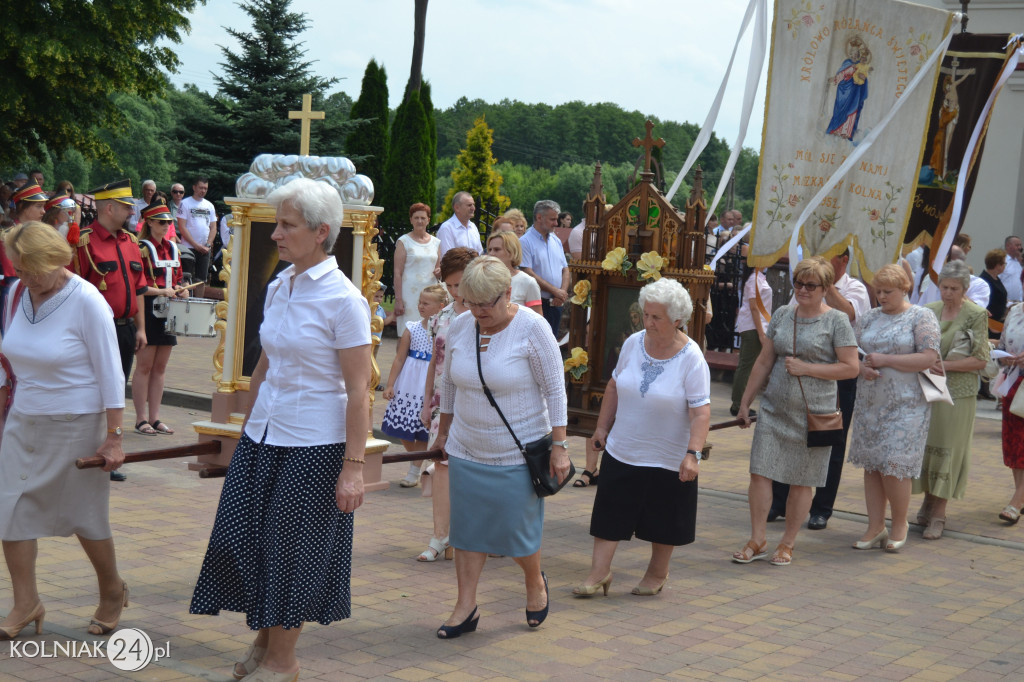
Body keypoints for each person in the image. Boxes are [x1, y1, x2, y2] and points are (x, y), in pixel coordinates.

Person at [189, 178, 371, 681]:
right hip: (265, 437)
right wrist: (247, 430)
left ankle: (283, 662)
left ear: (321, 232)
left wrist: (353, 469)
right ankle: (267, 642)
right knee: (245, 540)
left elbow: (359, 391)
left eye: (287, 225)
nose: (275, 234)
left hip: (317, 444)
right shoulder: (279, 285)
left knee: (292, 552)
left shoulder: (344, 300)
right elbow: (266, 361)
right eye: (277, 223)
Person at [0, 222, 128, 640]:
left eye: (35, 268)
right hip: (24, 420)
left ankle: (111, 590)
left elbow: (111, 372)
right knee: (11, 512)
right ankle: (26, 602)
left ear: (57, 259)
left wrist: (114, 436)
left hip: (76, 422)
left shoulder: (87, 300)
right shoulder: (17, 294)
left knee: (85, 518)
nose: (28, 278)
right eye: (20, 268)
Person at [434, 256, 569, 637]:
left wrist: (559, 445)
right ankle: (466, 606)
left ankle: (534, 582)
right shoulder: (462, 326)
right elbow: (448, 385)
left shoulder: (533, 328)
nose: (478, 312)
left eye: (486, 304)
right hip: (466, 447)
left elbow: (555, 389)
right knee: (468, 532)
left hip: (517, 452)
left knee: (518, 534)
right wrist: (443, 434)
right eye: (470, 303)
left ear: (508, 293)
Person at [573, 278, 710, 597]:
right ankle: (598, 574)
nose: (647, 322)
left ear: (677, 319)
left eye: (656, 317)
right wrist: (602, 428)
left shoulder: (692, 358)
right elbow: (613, 386)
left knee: (665, 517)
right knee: (609, 513)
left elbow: (701, 412)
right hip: (624, 448)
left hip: (668, 455)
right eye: (646, 314)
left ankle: (657, 573)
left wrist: (693, 453)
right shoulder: (634, 342)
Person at [733, 257, 858, 566]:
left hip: (813, 414)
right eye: (799, 283)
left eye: (810, 285)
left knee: (802, 479)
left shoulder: (837, 321)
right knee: (760, 472)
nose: (803, 289)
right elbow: (764, 360)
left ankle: (787, 543)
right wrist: (745, 402)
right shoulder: (783, 314)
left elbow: (851, 368)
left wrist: (808, 368)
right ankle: (758, 538)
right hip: (774, 408)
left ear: (826, 288)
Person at [770, 249, 870, 529]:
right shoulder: (804, 285)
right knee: (790, 437)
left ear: (844, 260)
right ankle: (779, 502)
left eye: (830, 256)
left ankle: (822, 508)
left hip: (837, 377)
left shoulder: (855, 287)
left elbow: (849, 313)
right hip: (796, 378)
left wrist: (826, 288)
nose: (804, 288)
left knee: (829, 440)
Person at [847, 265, 941, 552]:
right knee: (873, 464)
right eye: (878, 291)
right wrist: (862, 368)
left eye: (888, 291)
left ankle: (900, 523)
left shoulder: (921, 316)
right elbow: (855, 353)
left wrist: (885, 359)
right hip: (870, 402)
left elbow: (928, 358)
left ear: (905, 289)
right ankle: (875, 526)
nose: (881, 296)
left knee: (894, 464)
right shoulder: (870, 317)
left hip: (907, 404)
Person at [71, 179, 148, 483]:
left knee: (116, 390)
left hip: (126, 329)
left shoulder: (131, 242)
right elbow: (73, 291)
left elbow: (138, 288)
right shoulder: (84, 242)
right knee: (92, 391)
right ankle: (88, 449)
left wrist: (141, 329)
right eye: (127, 206)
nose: (131, 210)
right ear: (109, 207)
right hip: (95, 331)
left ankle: (111, 452)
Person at [913, 261, 990, 540]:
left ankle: (939, 513)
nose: (947, 293)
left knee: (949, 448)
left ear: (965, 288)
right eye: (944, 287)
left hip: (959, 393)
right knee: (928, 447)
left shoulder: (976, 314)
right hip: (929, 388)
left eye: (954, 289)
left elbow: (980, 359)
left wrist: (943, 365)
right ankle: (927, 501)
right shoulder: (928, 311)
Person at [416, 247, 476, 562]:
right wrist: (427, 403)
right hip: (442, 404)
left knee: (470, 470)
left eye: (460, 284)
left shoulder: (484, 313)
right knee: (441, 465)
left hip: (474, 402)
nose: (456, 292)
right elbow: (434, 362)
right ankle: (439, 536)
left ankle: (467, 535)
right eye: (450, 286)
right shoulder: (441, 316)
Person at [381, 284, 448, 487]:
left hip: (429, 384)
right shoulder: (412, 328)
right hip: (408, 383)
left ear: (441, 306)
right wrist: (390, 384)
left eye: (426, 303)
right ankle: (416, 462)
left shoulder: (445, 329)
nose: (421, 306)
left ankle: (414, 469)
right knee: (403, 429)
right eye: (420, 302)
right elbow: (399, 359)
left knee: (422, 429)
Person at [133, 200, 188, 436]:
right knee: (144, 366)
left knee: (161, 367)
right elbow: (138, 285)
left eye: (168, 222)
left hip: (168, 310)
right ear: (150, 223)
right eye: (161, 222)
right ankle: (140, 419)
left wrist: (181, 288)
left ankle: (155, 418)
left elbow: (176, 279)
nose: (166, 225)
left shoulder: (173, 248)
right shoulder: (141, 248)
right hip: (147, 309)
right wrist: (162, 291)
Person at [521, 200, 570, 337]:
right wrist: (555, 291)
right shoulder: (525, 241)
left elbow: (565, 269)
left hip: (556, 303)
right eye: (552, 219)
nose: (556, 223)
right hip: (537, 303)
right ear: (539, 217)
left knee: (552, 342)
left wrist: (562, 293)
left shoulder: (556, 241)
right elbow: (527, 272)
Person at [730, 265, 772, 417]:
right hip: (753, 326)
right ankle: (738, 404)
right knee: (747, 366)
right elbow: (754, 307)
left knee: (748, 365)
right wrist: (761, 333)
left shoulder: (758, 277)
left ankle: (739, 402)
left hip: (757, 326)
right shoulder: (753, 279)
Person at [996, 302, 1024, 523]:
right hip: (1013, 382)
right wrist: (1003, 356)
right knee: (1015, 444)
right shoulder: (1015, 310)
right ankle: (1020, 497)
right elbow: (1003, 343)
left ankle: (1016, 502)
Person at [393, 202, 441, 331]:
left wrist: (439, 271)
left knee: (429, 332)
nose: (420, 221)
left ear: (428, 220)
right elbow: (397, 272)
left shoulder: (436, 243)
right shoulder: (404, 242)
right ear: (411, 220)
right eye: (416, 218)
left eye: (423, 218)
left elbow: (438, 268)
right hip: (409, 295)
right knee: (406, 334)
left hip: (430, 294)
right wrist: (398, 300)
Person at [176, 177, 217, 297]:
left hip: (204, 248)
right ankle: (185, 302)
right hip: (188, 247)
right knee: (186, 277)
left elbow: (213, 227)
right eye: (201, 188)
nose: (203, 191)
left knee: (201, 279)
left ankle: (198, 303)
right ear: (194, 187)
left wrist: (208, 244)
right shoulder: (185, 203)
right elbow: (182, 227)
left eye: (205, 188)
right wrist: (195, 245)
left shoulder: (209, 205)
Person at [486, 231, 542, 314]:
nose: (491, 254)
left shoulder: (528, 282)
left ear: (512, 252)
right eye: (490, 250)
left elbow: (537, 320)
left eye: (497, 249)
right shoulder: (482, 278)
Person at [437, 191, 482, 256]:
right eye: (469, 205)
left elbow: (480, 254)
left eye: (473, 204)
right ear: (457, 208)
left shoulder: (473, 227)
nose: (473, 208)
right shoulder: (447, 228)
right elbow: (447, 259)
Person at [982, 249, 1008, 336]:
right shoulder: (984, 280)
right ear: (997, 265)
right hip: (990, 325)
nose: (1005, 266)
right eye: (1004, 263)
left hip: (998, 322)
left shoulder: (996, 278)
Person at [1000, 236, 1023, 303]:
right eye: (1017, 245)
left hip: (1018, 303)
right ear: (1008, 246)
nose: (1020, 248)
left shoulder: (1018, 263)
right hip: (1006, 303)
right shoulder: (1002, 261)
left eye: (1020, 245)